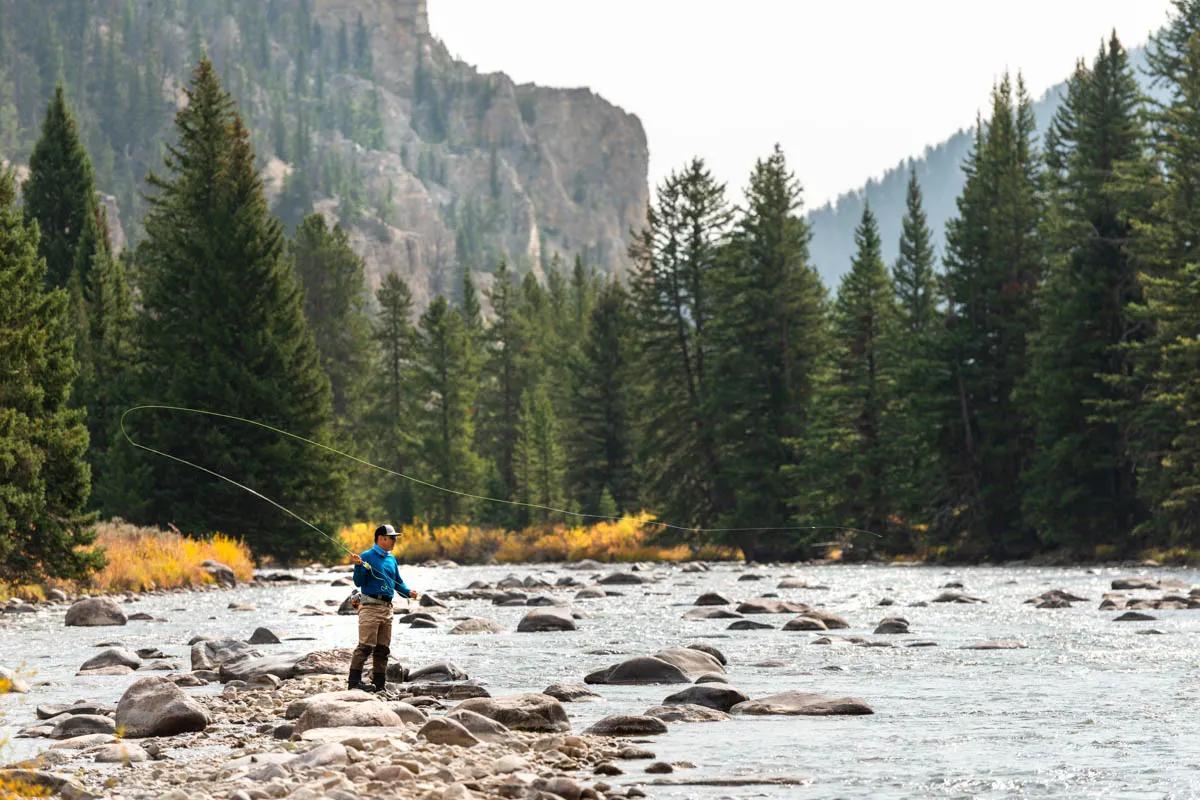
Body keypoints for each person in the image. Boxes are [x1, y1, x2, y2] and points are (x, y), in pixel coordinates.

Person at [347, 523, 419, 692]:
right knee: (365, 647)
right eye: (392, 538)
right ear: (381, 539)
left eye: (395, 538)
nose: (394, 541)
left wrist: (408, 592)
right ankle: (353, 683)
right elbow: (359, 582)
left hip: (387, 608)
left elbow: (397, 582)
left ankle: (380, 685)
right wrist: (358, 566)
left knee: (383, 649)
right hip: (370, 607)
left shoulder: (391, 558)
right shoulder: (367, 556)